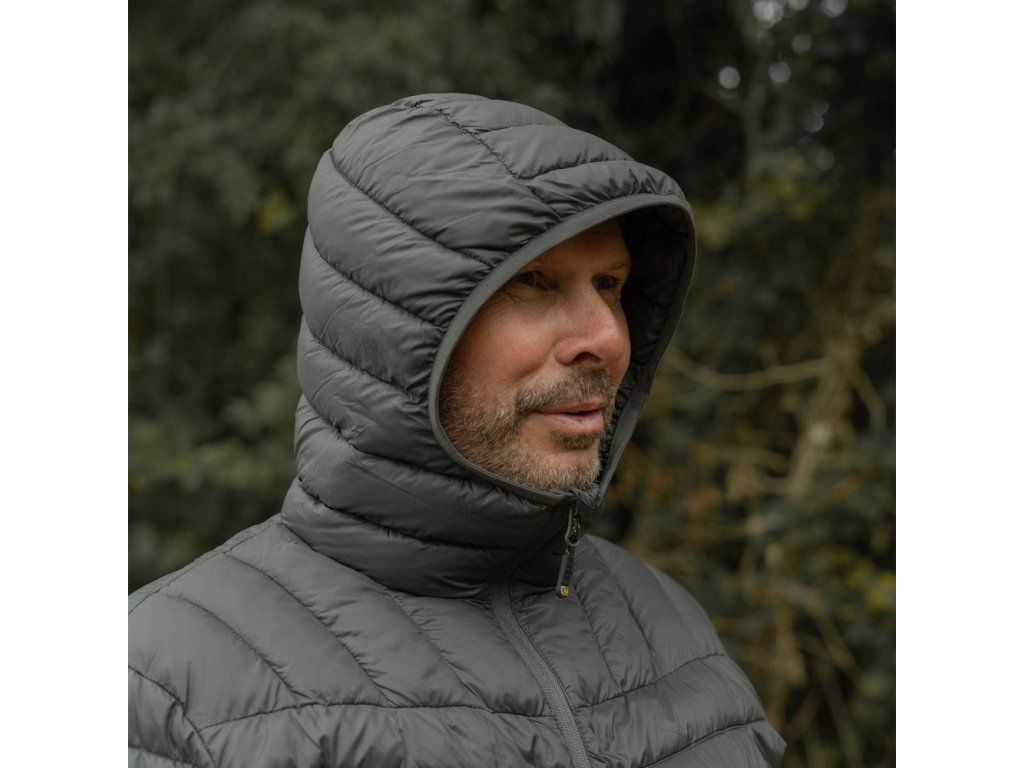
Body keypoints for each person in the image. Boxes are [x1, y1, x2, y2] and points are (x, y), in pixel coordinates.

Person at [128, 93, 786, 768]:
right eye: (534, 281)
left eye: (610, 285)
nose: (608, 338)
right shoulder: (172, 686)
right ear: (395, 332)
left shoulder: (672, 632)